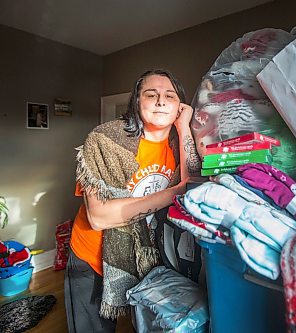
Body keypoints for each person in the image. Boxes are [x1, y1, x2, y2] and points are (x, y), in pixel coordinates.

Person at [64, 69, 201, 332]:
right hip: (91, 258)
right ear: (137, 103)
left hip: (144, 258)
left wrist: (184, 129)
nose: (161, 101)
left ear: (180, 107)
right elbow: (99, 217)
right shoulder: (104, 141)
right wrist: (175, 192)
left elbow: (192, 183)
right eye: (151, 94)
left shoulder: (179, 144)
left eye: (169, 96)